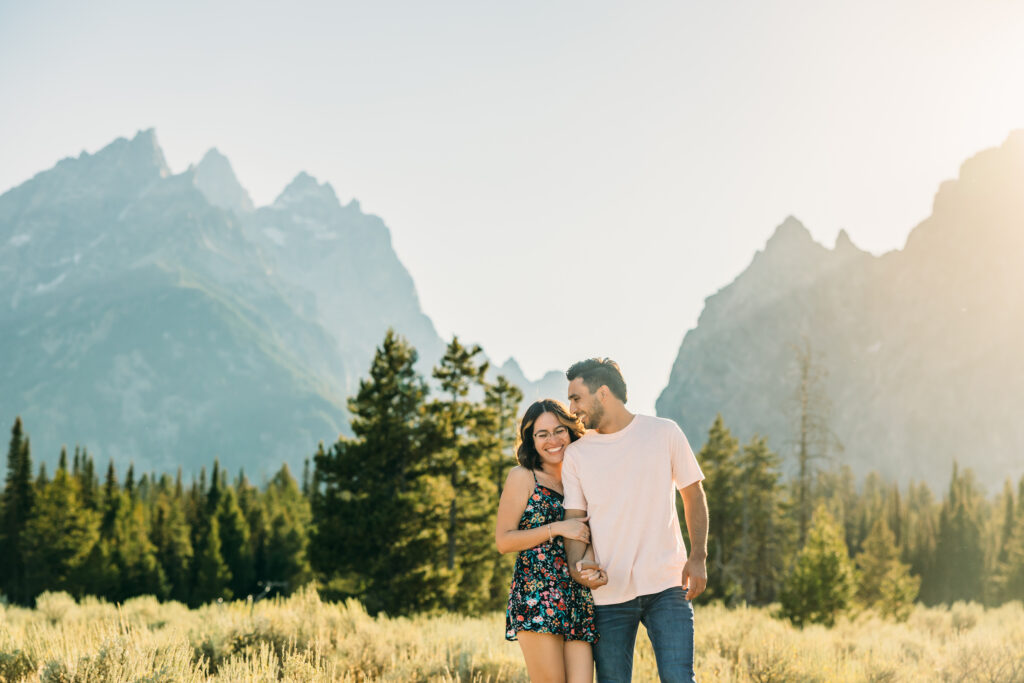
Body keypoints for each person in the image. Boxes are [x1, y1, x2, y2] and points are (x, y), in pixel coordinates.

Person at [561, 358, 708, 683]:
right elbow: (574, 521)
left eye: (576, 398)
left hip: (667, 585)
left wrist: (698, 556)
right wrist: (576, 567)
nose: (571, 409)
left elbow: (693, 494)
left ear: (602, 393)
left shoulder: (663, 432)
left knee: (679, 679)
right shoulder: (577, 455)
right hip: (608, 593)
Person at [496, 399, 609, 683]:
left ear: (571, 431)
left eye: (559, 430)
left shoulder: (582, 479)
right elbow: (504, 541)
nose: (553, 440)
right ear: (531, 440)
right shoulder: (523, 477)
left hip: (578, 597)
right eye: (542, 434)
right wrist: (557, 527)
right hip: (538, 596)